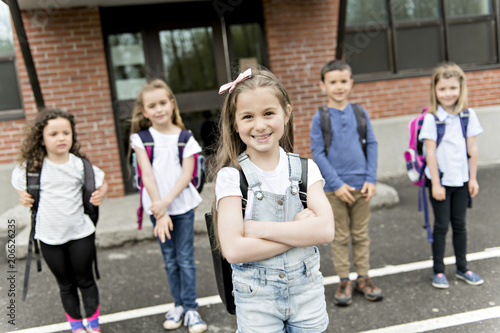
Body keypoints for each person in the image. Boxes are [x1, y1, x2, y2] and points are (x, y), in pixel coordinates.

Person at [213, 66, 335, 333]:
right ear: (234, 123)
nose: (260, 125)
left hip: (307, 293)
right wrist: (300, 232)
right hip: (256, 299)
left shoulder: (306, 169)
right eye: (247, 117)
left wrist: (259, 231)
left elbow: (325, 231)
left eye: (269, 113)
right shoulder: (231, 177)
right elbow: (233, 250)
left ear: (287, 113)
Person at [11, 109, 108, 333]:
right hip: (48, 237)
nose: (61, 137)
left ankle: (93, 326)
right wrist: (22, 195)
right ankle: (76, 327)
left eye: (66, 132)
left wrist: (100, 194)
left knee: (86, 281)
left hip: (80, 233)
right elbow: (18, 182)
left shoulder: (79, 165)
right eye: (53, 134)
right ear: (41, 138)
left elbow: (102, 182)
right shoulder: (32, 167)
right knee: (65, 284)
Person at [129, 79, 207, 333]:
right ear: (144, 111)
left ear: (172, 104)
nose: (159, 109)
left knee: (185, 258)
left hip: (181, 206)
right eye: (152, 105)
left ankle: (192, 308)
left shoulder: (186, 138)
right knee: (170, 259)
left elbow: (187, 175)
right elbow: (147, 176)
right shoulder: (141, 139)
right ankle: (178, 306)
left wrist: (165, 203)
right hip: (157, 209)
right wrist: (159, 211)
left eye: (163, 102)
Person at [310, 59, 381, 306]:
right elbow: (317, 153)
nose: (338, 87)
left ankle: (363, 277)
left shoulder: (360, 113)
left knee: (361, 234)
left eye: (343, 81)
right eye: (333, 82)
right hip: (333, 190)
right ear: (323, 86)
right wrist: (337, 184)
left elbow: (371, 144)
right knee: (339, 236)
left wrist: (371, 178)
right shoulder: (320, 118)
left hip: (362, 186)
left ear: (350, 83)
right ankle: (344, 280)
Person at [419, 62, 484, 289]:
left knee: (460, 225)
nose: (448, 94)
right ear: (435, 91)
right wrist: (436, 183)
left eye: (453, 88)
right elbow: (430, 153)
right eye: (443, 89)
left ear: (461, 88)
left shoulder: (468, 115)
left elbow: (472, 150)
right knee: (441, 227)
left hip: (462, 180)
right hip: (440, 182)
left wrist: (473, 178)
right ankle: (438, 271)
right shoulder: (431, 118)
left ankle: (462, 267)